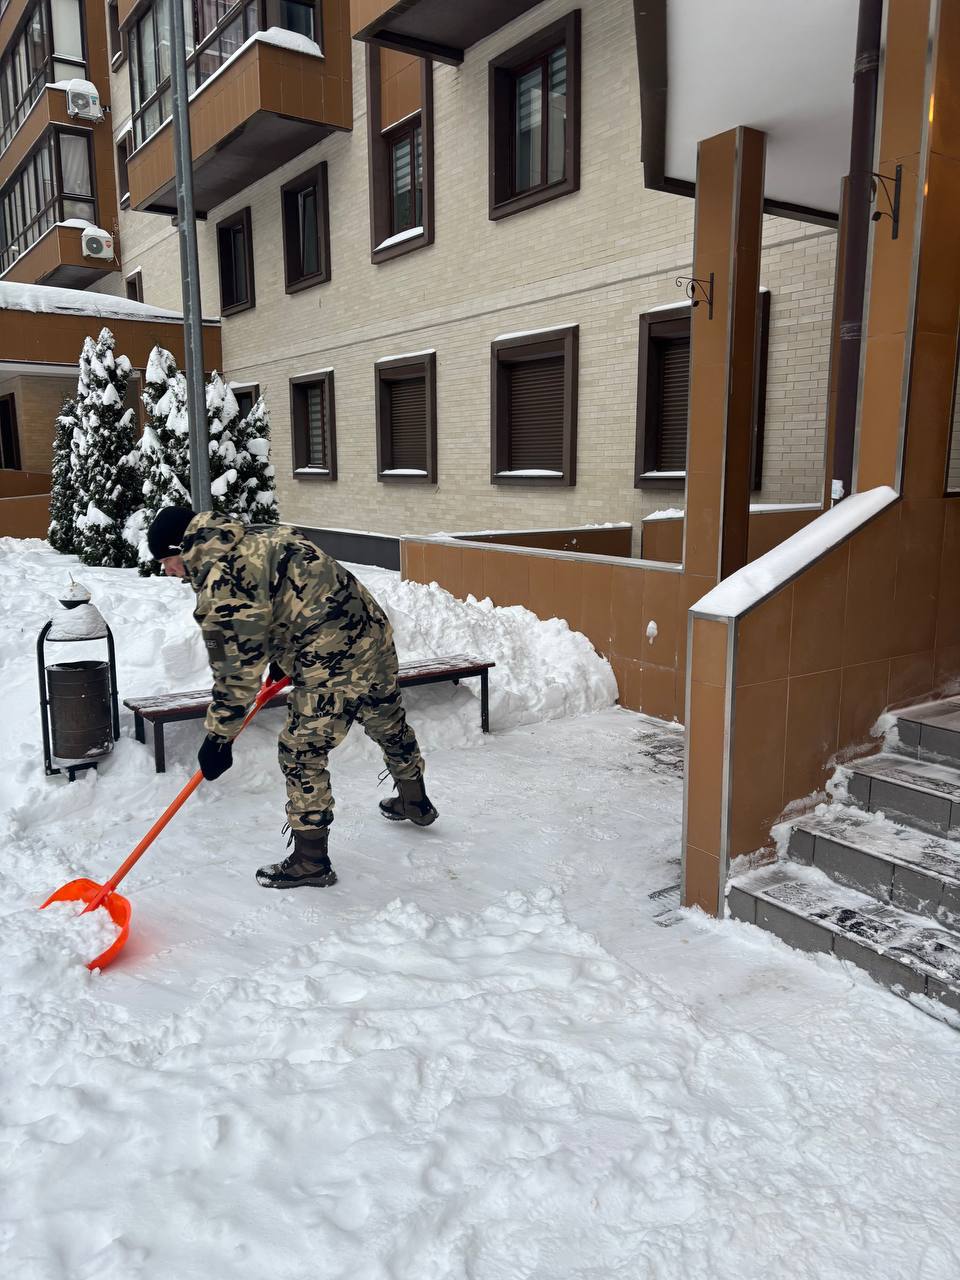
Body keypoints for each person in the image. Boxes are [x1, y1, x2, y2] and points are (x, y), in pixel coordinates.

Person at [146, 506, 437, 889]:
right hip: (370, 632)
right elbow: (298, 591)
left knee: (302, 751)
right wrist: (283, 658)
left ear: (182, 548)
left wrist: (219, 737)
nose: (167, 571)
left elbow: (236, 675)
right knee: (385, 716)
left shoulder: (222, 582)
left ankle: (310, 861)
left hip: (331, 657)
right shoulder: (261, 533)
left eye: (165, 561)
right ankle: (415, 800)